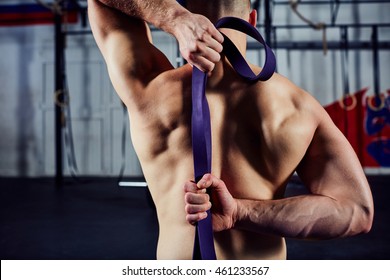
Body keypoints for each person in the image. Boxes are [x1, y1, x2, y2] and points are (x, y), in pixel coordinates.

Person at [88, 0, 374, 260]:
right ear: (252, 20)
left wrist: (173, 17)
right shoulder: (298, 107)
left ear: (191, 20)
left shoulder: (148, 91)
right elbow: (356, 212)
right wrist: (240, 213)